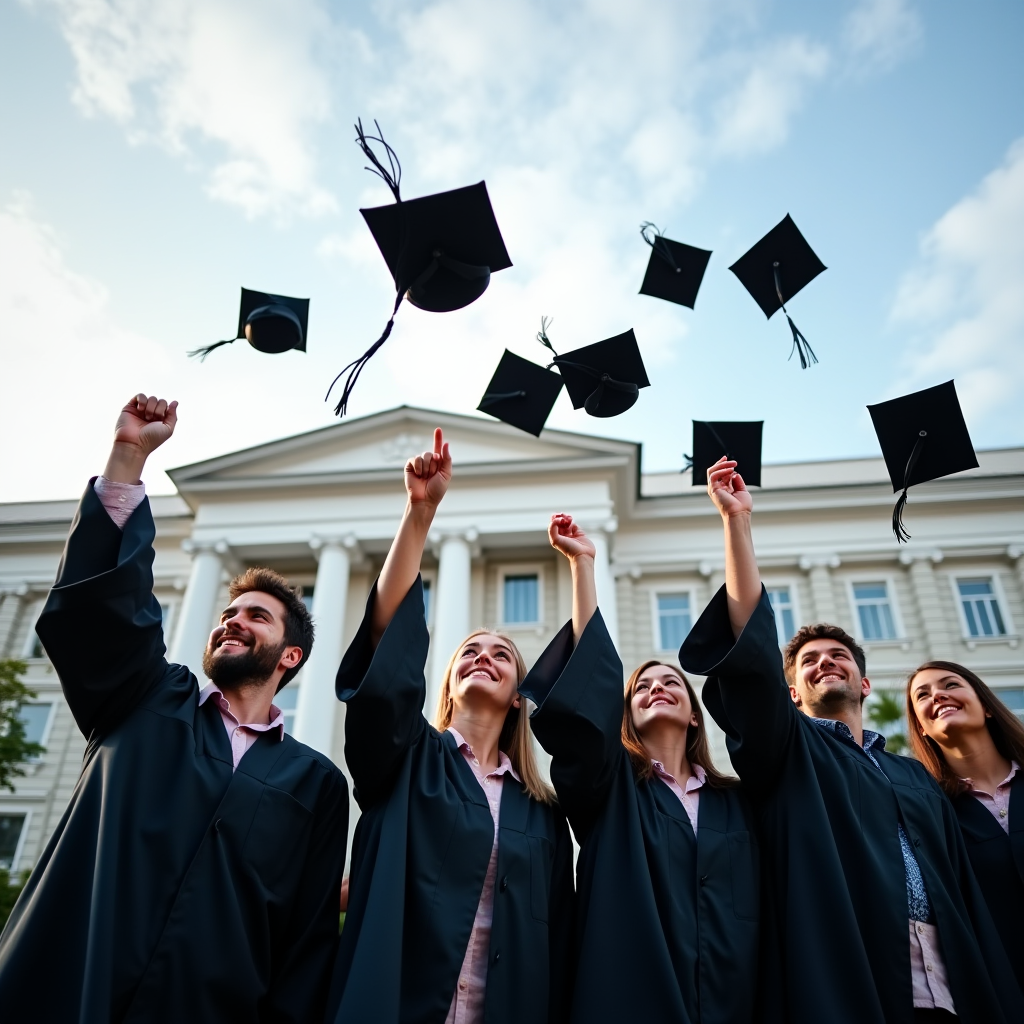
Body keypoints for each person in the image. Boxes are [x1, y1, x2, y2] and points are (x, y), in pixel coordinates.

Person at [0, 394, 349, 1024]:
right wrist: (129, 456)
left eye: (256, 617)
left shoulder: (317, 785)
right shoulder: (148, 700)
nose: (232, 622)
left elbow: (304, 945)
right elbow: (106, 614)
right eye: (227, 615)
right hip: (67, 989)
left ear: (290, 655)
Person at [677, 456, 1023, 1024]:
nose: (824, 664)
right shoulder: (792, 754)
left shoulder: (917, 775)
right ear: (789, 693)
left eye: (837, 657)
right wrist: (736, 523)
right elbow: (752, 652)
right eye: (808, 662)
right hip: (851, 969)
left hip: (952, 979)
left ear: (864, 683)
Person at [325, 429, 574, 1024]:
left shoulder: (540, 809)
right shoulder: (408, 759)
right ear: (446, 684)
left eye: (500, 654)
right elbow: (386, 658)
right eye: (468, 652)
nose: (482, 656)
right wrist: (419, 514)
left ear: (520, 697)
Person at [516, 513, 761, 1024]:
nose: (656, 687)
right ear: (624, 716)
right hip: (633, 998)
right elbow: (591, 689)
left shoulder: (738, 800)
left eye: (671, 682)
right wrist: (584, 565)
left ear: (695, 713)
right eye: (642, 687)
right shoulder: (611, 791)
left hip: (738, 996)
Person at [905, 661, 1024, 997]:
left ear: (985, 706)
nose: (938, 695)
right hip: (999, 991)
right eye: (923, 695)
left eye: (950, 685)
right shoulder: (926, 813)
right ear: (922, 727)